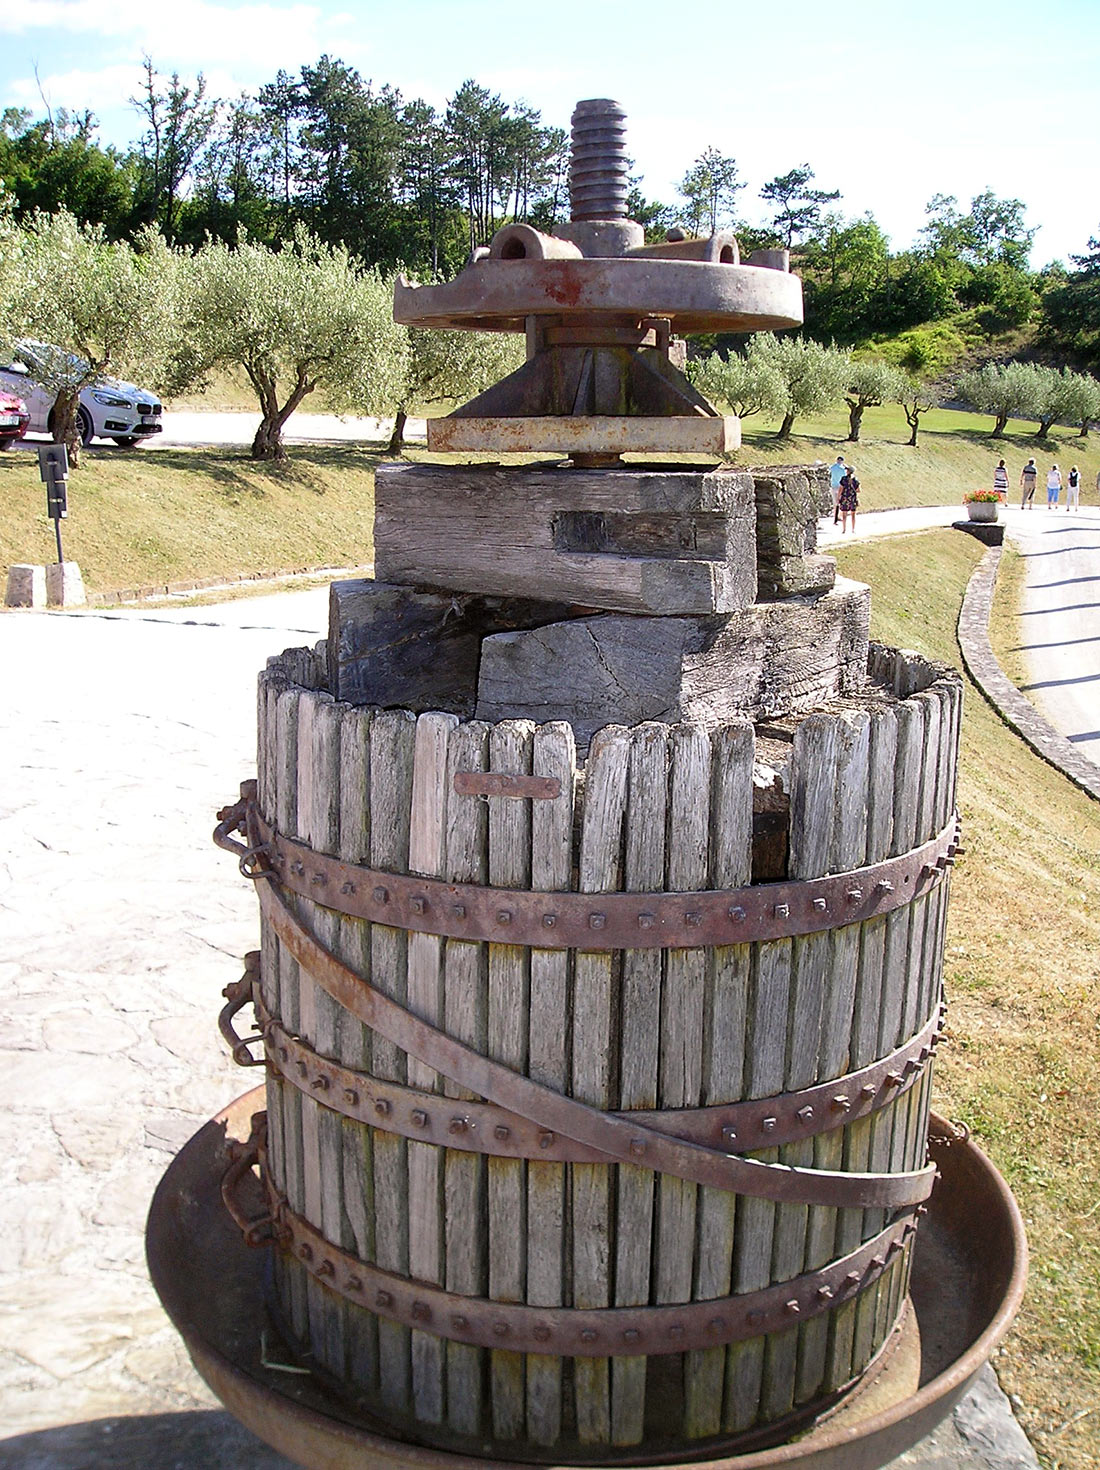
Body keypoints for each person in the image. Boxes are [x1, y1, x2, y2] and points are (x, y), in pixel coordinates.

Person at [838, 464, 860, 533]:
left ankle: (844, 529)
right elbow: (858, 490)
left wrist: (839, 497)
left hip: (845, 497)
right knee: (853, 514)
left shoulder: (844, 479)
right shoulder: (855, 480)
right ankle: (853, 529)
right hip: (853, 498)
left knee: (844, 514)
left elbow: (840, 489)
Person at [829, 454, 846, 523]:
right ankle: (839, 515)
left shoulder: (832, 467)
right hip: (840, 487)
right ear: (842, 461)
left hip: (833, 486)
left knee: (835, 502)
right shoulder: (843, 469)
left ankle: (835, 515)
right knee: (841, 501)